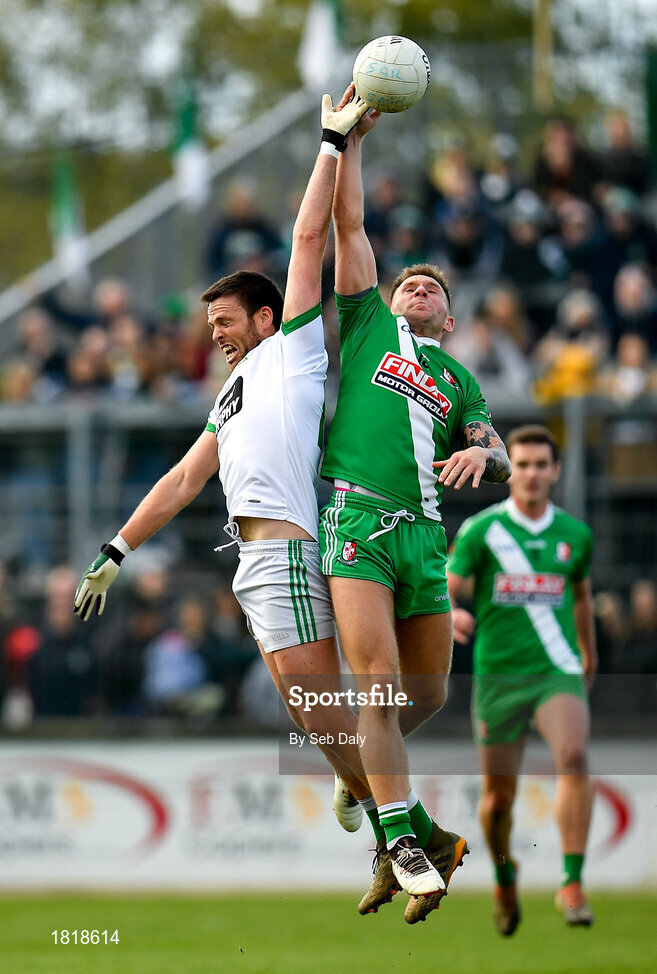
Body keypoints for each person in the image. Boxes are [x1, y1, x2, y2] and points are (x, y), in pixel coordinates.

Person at [73, 88, 372, 818]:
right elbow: (180, 481)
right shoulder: (231, 393)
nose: (213, 334)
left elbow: (308, 243)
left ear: (264, 318)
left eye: (224, 320)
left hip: (289, 547)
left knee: (316, 705)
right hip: (252, 559)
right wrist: (116, 549)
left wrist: (331, 143)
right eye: (210, 323)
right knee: (307, 713)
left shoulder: (293, 349)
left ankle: (409, 829)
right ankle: (372, 794)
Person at [319, 105, 511, 924]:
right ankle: (400, 842)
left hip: (426, 538)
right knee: (378, 684)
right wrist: (351, 142)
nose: (417, 284)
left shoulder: (460, 377)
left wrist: (486, 455)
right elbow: (349, 219)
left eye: (432, 286)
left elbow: (493, 444)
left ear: (451, 317)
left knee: (422, 695)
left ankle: (359, 775)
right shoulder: (367, 326)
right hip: (359, 522)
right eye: (408, 281)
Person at [447, 425, 597, 934]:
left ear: (555, 471)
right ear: (510, 471)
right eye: (523, 464)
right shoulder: (482, 531)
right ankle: (505, 875)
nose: (532, 474)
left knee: (574, 757)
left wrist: (588, 655)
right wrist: (448, 613)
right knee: (498, 800)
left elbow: (579, 596)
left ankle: (572, 883)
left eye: (541, 465)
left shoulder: (575, 536)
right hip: (498, 676)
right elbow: (445, 586)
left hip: (556, 669)